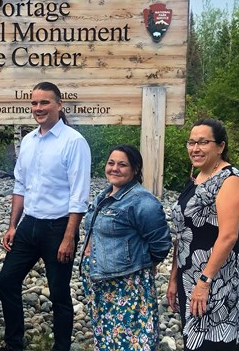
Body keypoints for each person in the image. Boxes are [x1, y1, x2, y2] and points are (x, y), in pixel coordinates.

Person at [0, 81, 91, 351]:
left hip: (59, 228)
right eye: (34, 103)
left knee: (59, 293)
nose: (38, 108)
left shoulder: (74, 142)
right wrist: (13, 225)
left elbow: (79, 194)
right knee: (6, 281)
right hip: (29, 225)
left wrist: (69, 237)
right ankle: (14, 343)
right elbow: (20, 186)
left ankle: (61, 347)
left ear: (59, 105)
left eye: (44, 102)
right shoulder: (28, 141)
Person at [167, 118, 239, 351]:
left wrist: (204, 282)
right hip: (188, 275)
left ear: (220, 146)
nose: (195, 148)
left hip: (217, 279)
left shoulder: (230, 180)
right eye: (191, 142)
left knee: (214, 342)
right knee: (193, 340)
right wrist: (174, 277)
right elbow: (183, 232)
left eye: (203, 142)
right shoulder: (196, 177)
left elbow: (228, 236)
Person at [80, 145, 171, 350]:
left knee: (132, 341)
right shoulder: (104, 196)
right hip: (102, 283)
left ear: (135, 169)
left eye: (122, 165)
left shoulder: (143, 202)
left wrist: (145, 264)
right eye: (111, 163)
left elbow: (161, 244)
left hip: (127, 285)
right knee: (107, 339)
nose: (115, 169)